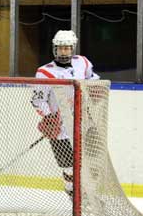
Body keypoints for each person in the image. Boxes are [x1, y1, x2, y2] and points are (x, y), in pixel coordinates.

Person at [31, 30, 99, 198]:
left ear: (72, 48)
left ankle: (87, 195)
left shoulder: (82, 62)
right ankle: (73, 196)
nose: (64, 52)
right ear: (55, 49)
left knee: (87, 162)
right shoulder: (45, 72)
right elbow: (37, 100)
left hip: (82, 123)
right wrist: (49, 117)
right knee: (68, 166)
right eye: (60, 48)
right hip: (60, 128)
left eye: (67, 48)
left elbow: (94, 80)